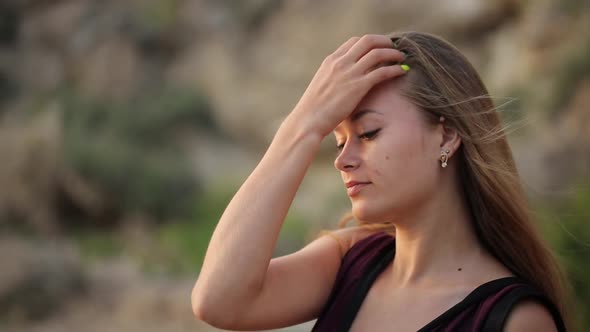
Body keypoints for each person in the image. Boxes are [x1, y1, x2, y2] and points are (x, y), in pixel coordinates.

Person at [191, 32, 571, 331]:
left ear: (447, 136)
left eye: (369, 133)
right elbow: (219, 300)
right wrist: (304, 123)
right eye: (339, 140)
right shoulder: (353, 262)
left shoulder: (513, 319)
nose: (343, 160)